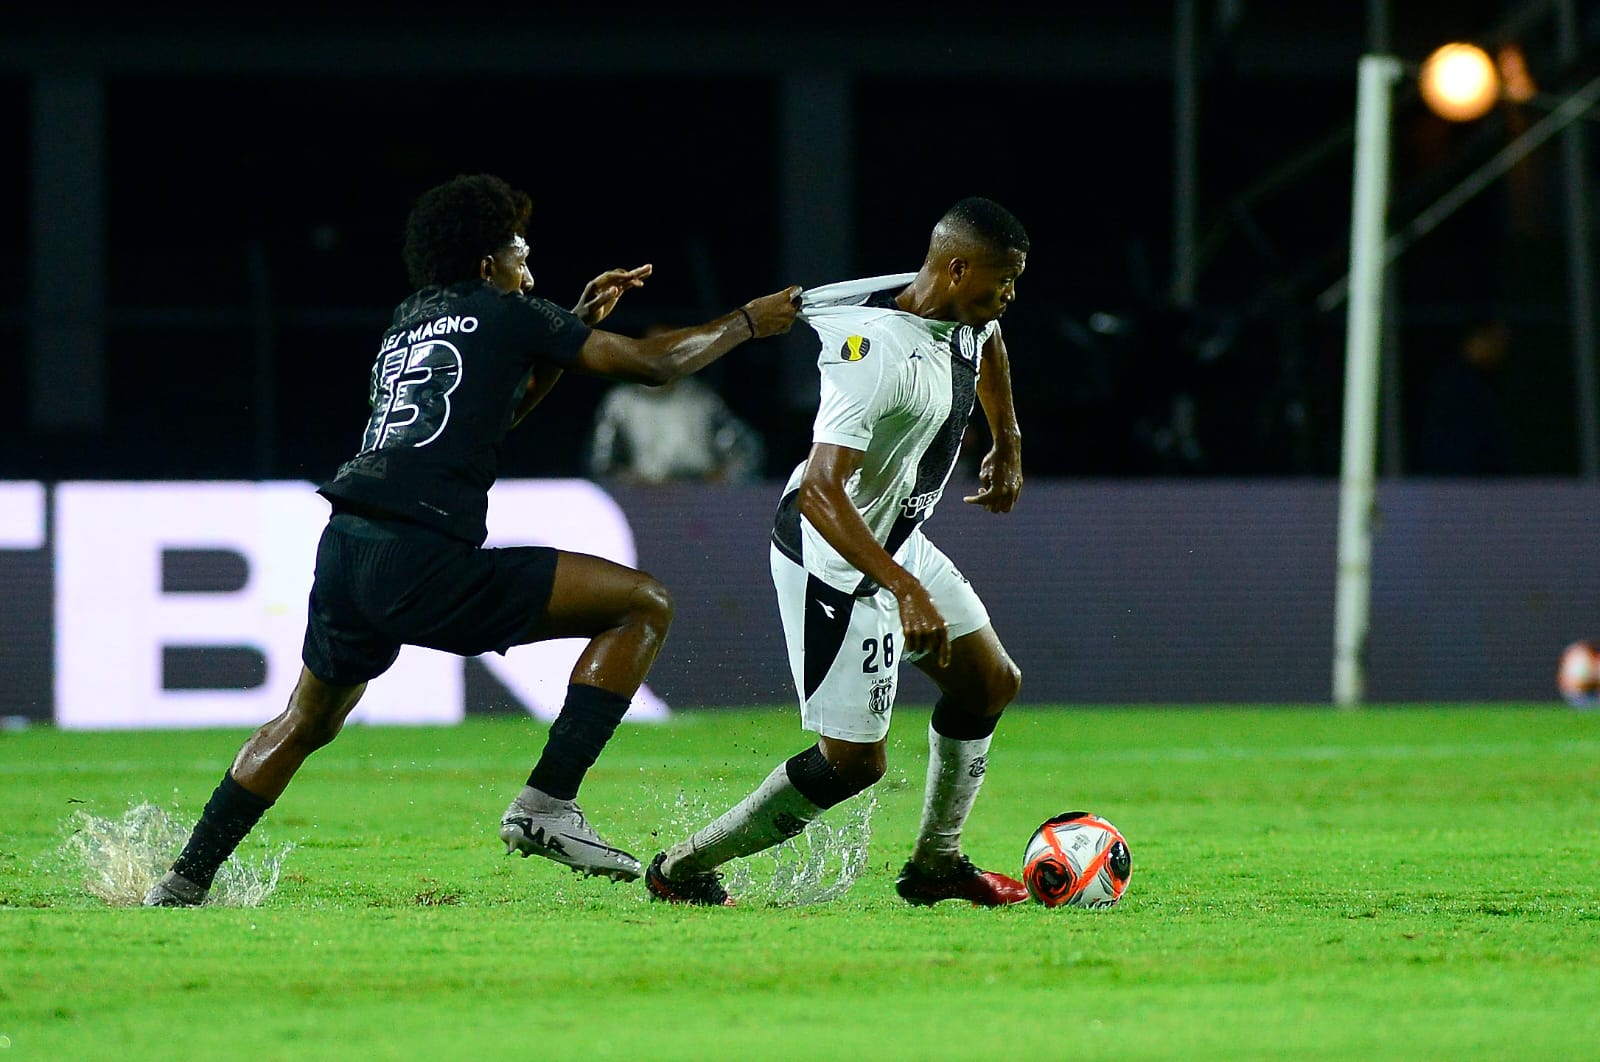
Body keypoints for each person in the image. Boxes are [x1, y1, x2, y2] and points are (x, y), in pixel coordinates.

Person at [144, 173, 800, 906]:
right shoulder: (508, 312)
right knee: (642, 604)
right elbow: (654, 365)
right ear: (488, 264)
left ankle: (184, 877)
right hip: (420, 553)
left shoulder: (409, 319)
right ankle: (548, 802)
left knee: (303, 721)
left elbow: (493, 413)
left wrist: (566, 323)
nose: (531, 270)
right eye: (521, 254)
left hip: (347, 547)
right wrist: (747, 320)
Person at [645, 197, 1030, 907]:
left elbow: (991, 344)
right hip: (834, 560)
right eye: (1002, 280)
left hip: (894, 542)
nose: (1008, 297)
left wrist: (1006, 444)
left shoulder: (966, 318)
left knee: (989, 685)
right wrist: (900, 588)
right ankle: (682, 869)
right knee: (852, 765)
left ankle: (936, 865)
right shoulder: (872, 352)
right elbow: (822, 492)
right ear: (956, 267)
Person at [588, 325, 766, 483]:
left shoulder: (700, 399)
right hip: (644, 502)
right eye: (653, 349)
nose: (661, 357)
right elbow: (600, 464)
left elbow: (748, 450)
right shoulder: (620, 403)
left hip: (699, 498)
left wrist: (720, 479)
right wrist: (633, 482)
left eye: (670, 350)